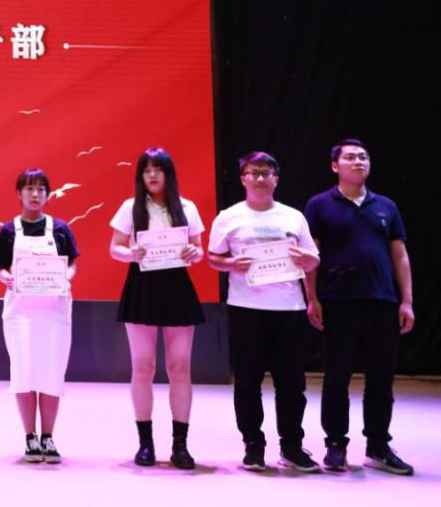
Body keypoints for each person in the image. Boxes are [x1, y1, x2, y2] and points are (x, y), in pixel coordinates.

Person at [303, 138, 415, 475]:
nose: (358, 162)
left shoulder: (386, 206)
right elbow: (310, 256)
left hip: (382, 300)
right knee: (337, 376)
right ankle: (336, 445)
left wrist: (407, 300)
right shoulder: (320, 205)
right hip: (338, 301)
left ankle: (378, 446)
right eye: (350, 157)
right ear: (334, 165)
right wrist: (312, 298)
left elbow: (400, 255)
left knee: (381, 378)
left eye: (363, 157)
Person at [207, 151, 320, 472]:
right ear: (243, 178)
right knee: (247, 381)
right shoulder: (228, 217)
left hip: (289, 308)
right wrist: (232, 263)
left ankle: (292, 446)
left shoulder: (293, 217)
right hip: (246, 308)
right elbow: (213, 258)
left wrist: (305, 260)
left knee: (291, 383)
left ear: (276, 179)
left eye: (266, 173)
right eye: (253, 172)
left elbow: (314, 259)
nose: (260, 178)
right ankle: (253, 446)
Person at [109, 147, 204, 469]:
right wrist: (131, 253)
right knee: (143, 366)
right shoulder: (130, 207)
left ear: (168, 174)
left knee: (180, 366)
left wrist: (193, 253)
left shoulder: (187, 207)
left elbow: (198, 249)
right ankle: (145, 443)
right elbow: (114, 248)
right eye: (146, 170)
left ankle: (180, 445)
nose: (152, 175)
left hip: (177, 287)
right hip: (142, 286)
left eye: (158, 169)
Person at [0, 168, 79, 464]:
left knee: (52, 372)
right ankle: (30, 436)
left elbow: (71, 264)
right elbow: (0, 267)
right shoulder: (8, 231)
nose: (35, 194)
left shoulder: (61, 229)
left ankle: (48, 437)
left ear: (48, 194)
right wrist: (5, 277)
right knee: (24, 372)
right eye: (29, 188)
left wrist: (66, 276)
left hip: (54, 312)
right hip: (21, 314)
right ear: (19, 194)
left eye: (41, 189)